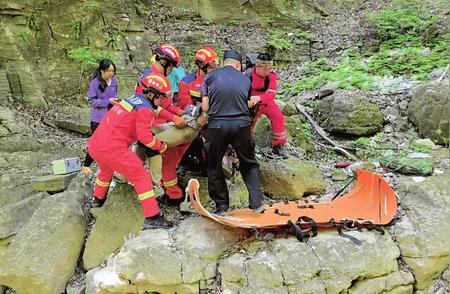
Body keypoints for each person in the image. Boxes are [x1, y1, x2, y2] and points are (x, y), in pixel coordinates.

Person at [87, 72, 173, 229]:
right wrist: (159, 145)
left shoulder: (132, 99)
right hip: (112, 149)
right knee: (141, 176)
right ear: (151, 94)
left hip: (95, 145)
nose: (161, 100)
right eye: (160, 97)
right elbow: (145, 138)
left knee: (106, 170)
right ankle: (152, 217)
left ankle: (97, 200)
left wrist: (174, 116)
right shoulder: (145, 109)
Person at [201, 49, 264, 215]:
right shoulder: (245, 79)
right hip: (241, 125)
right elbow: (247, 103)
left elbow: (206, 108)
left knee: (214, 165)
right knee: (249, 162)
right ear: (238, 64)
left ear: (223, 63)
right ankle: (256, 204)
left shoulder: (209, 78)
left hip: (217, 126)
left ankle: (222, 207)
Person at [134, 44, 187, 206]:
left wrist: (179, 113)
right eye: (171, 67)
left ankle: (136, 180)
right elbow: (153, 108)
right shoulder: (153, 80)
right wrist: (175, 117)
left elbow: (166, 105)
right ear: (164, 63)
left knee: (140, 157)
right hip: (149, 127)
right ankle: (157, 188)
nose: (172, 71)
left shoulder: (152, 76)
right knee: (157, 150)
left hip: (149, 125)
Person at [176, 47, 219, 175]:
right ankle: (183, 162)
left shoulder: (219, 80)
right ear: (201, 66)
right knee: (190, 134)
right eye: (211, 66)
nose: (214, 69)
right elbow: (185, 107)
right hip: (195, 119)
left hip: (215, 118)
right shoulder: (187, 82)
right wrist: (202, 109)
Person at [245, 53, 288, 158]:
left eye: (269, 69)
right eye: (264, 69)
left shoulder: (271, 76)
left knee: (278, 117)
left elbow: (271, 94)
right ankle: (246, 146)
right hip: (251, 102)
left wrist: (260, 98)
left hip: (266, 101)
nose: (267, 72)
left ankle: (278, 145)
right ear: (257, 66)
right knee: (249, 123)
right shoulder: (247, 75)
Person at [81, 59, 119, 174]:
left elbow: (114, 97)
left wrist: (116, 102)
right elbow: (92, 101)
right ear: (102, 71)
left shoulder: (114, 82)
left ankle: (108, 165)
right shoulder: (95, 83)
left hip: (111, 118)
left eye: (113, 71)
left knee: (112, 142)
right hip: (98, 118)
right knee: (97, 143)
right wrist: (107, 101)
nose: (111, 73)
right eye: (109, 71)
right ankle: (86, 164)